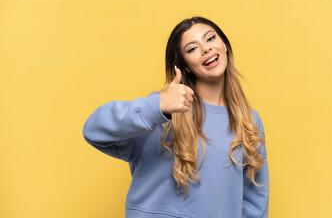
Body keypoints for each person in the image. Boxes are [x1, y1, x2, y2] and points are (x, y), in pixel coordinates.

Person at [82, 16, 269, 218]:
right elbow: (93, 130)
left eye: (210, 38)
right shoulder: (161, 111)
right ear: (185, 66)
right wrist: (158, 107)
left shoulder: (248, 119)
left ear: (225, 45)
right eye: (192, 49)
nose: (206, 49)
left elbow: (255, 198)